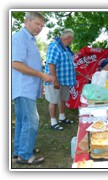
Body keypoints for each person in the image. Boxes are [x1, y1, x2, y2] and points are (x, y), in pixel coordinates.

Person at [12, 12, 55, 165]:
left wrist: (40, 79)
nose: (40, 28)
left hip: (26, 87)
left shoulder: (30, 39)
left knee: (23, 121)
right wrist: (41, 75)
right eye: (37, 24)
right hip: (23, 88)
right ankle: (25, 155)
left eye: (42, 26)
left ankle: (19, 150)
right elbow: (16, 63)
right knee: (31, 121)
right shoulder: (20, 38)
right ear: (27, 21)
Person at [44, 29, 76, 130]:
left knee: (63, 99)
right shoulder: (54, 46)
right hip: (56, 80)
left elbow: (66, 63)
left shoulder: (65, 48)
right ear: (67, 37)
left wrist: (74, 71)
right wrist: (55, 80)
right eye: (70, 39)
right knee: (53, 100)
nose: (71, 41)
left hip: (65, 80)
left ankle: (62, 118)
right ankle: (53, 122)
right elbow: (51, 63)